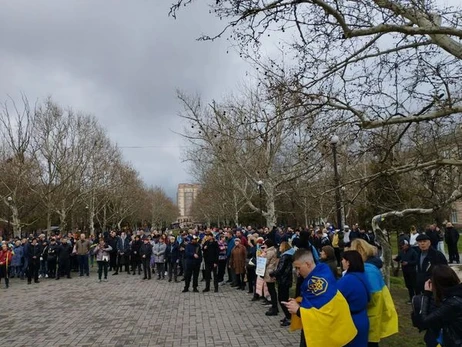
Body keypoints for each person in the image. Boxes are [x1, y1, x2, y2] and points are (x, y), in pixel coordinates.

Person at [283, 248, 357, 347]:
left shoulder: (318, 283)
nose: (297, 272)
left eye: (298, 268)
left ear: (308, 264)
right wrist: (299, 302)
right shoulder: (321, 271)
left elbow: (322, 314)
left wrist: (298, 310)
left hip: (329, 333)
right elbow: (313, 302)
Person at [350, 239, 399, 346]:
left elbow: (373, 297)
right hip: (371, 316)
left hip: (371, 317)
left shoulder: (368, 271)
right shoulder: (370, 268)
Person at [415, 265, 462, 347]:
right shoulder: (455, 293)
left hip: (453, 341)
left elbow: (424, 321)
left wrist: (426, 295)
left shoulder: (453, 302)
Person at [338, 250, 370, 347]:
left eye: (343, 259)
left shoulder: (348, 280)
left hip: (351, 321)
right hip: (362, 318)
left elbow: (332, 297)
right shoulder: (362, 275)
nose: (342, 262)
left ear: (348, 262)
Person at [270, 241, 294, 326]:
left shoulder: (285, 256)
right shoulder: (289, 256)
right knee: (284, 297)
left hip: (283, 280)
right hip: (286, 279)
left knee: (282, 299)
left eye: (280, 246)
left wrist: (273, 273)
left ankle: (289, 317)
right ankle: (288, 316)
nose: (279, 248)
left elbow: (281, 269)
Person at [263, 239, 279, 316]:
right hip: (271, 270)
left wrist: (262, 256)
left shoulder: (269, 252)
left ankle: (274, 307)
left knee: (271, 289)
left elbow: (265, 262)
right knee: (272, 289)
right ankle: (274, 306)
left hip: (269, 271)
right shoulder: (274, 250)